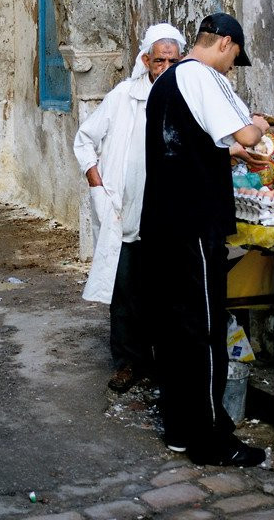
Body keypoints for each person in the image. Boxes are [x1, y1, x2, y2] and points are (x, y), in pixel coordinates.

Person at [140, 12, 269, 467]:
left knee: (177, 332)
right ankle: (210, 440)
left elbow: (190, 139)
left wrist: (233, 151)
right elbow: (245, 131)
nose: (233, 64)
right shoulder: (203, 76)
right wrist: (260, 127)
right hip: (193, 224)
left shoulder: (168, 82)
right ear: (225, 43)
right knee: (206, 331)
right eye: (235, 55)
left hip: (163, 223)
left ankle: (180, 428)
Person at [74, 23, 186, 392]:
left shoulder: (185, 97)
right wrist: (94, 178)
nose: (165, 67)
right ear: (145, 60)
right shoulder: (124, 96)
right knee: (124, 290)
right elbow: (85, 138)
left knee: (160, 291)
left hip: (165, 214)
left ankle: (158, 362)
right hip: (123, 211)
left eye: (172, 60)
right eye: (159, 60)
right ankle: (126, 362)